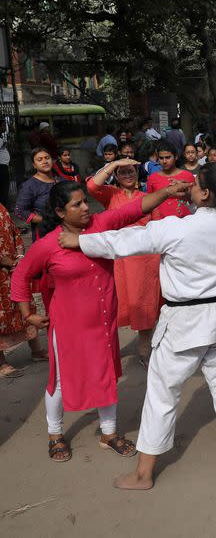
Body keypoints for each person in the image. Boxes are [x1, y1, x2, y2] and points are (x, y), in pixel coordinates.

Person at [59, 163, 216, 489]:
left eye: (194, 184)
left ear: (204, 193)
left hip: (186, 323)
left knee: (162, 395)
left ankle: (143, 474)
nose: (188, 187)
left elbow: (124, 241)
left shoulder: (177, 228)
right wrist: (174, 195)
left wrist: (79, 242)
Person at [11, 178, 190, 462]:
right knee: (60, 380)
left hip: (102, 322)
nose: (85, 207)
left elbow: (134, 208)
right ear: (60, 212)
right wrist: (27, 314)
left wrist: (166, 192)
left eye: (85, 201)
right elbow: (20, 276)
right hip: (68, 325)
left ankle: (109, 433)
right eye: (77, 204)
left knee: (105, 375)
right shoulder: (48, 245)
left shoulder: (99, 225)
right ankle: (55, 433)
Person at [87, 158, 161, 366]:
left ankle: (145, 348)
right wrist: (114, 164)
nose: (128, 175)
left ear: (138, 174)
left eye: (131, 171)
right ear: (116, 177)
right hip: (118, 259)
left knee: (145, 304)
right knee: (112, 305)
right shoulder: (111, 194)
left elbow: (157, 228)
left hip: (145, 260)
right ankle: (108, 351)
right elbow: (92, 185)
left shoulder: (147, 197)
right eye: (123, 172)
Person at [0, 203, 46, 378]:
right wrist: (4, 260)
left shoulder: (2, 208)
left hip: (12, 271)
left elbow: (14, 232)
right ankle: (1, 363)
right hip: (4, 268)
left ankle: (37, 350)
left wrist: (19, 257)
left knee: (25, 309)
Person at [15, 148, 60, 242]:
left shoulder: (61, 181)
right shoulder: (29, 186)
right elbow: (20, 211)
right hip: (45, 232)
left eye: (47, 158)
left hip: (67, 229)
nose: (44, 161)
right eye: (40, 160)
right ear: (34, 165)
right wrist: (46, 220)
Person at [147, 141, 196, 220]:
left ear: (176, 156)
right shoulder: (152, 178)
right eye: (161, 158)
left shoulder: (187, 176)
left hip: (185, 222)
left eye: (168, 157)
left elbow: (195, 200)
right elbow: (149, 203)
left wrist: (186, 191)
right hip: (161, 223)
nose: (164, 161)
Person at [0, 122, 10, 209]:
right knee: (3, 187)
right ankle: (3, 208)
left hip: (3, 165)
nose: (4, 127)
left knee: (4, 187)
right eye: (3, 125)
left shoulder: (1, 136)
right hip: (1, 166)